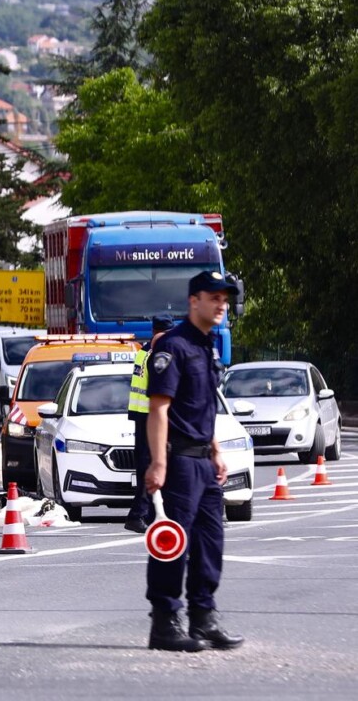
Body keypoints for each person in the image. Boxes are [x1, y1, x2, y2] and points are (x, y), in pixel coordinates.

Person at [143, 270, 244, 653]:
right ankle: (165, 622)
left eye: (225, 298)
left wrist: (216, 449)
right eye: (214, 297)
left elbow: (203, 406)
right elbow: (159, 409)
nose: (221, 304)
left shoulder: (206, 345)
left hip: (203, 461)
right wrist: (158, 463)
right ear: (193, 301)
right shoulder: (173, 345)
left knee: (209, 542)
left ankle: (204, 617)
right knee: (173, 543)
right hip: (179, 463)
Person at [124, 314, 176, 534]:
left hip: (140, 415)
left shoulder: (143, 351)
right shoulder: (158, 354)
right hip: (151, 417)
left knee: (147, 466)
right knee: (152, 466)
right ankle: (138, 515)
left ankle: (150, 514)